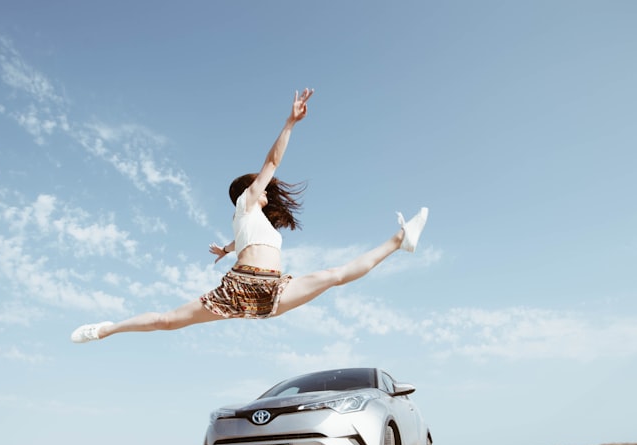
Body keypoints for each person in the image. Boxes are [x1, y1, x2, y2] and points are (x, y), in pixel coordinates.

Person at [70, 88, 428, 343]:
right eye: (259, 188)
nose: (266, 190)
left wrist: (226, 248)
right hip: (240, 285)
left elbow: (246, 238)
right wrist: (290, 123)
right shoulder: (246, 201)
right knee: (167, 321)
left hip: (272, 291)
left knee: (335, 275)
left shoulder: (254, 224)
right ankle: (105, 329)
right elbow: (272, 162)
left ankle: (400, 241)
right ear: (247, 192)